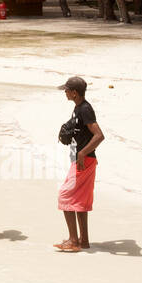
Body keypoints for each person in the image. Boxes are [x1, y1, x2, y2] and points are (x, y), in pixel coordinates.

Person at [54, 76, 105, 252]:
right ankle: (83, 241)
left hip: (84, 161)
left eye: (66, 90)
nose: (65, 93)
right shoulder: (79, 108)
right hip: (84, 160)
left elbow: (99, 135)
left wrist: (82, 153)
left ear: (74, 92)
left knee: (65, 196)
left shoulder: (85, 109)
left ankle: (73, 241)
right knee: (80, 200)